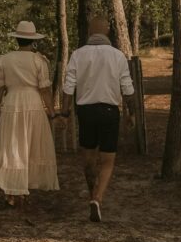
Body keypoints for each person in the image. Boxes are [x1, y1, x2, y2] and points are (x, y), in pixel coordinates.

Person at [0, 20, 59, 209]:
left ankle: (13, 192)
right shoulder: (38, 60)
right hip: (33, 104)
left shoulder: (4, 59)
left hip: (12, 104)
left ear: (17, 39)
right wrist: (51, 111)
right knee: (30, 146)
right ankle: (21, 189)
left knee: (12, 146)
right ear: (32, 41)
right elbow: (44, 89)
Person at [57, 15, 135, 223]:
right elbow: (127, 87)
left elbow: (68, 86)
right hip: (109, 111)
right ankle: (98, 198)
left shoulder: (78, 54)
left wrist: (64, 113)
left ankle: (92, 192)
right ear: (107, 31)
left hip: (86, 111)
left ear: (91, 32)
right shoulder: (118, 56)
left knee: (88, 158)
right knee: (108, 160)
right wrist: (131, 111)